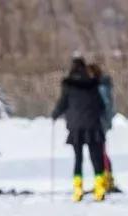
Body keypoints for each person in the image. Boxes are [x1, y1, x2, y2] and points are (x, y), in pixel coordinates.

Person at [51, 57, 106, 202]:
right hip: (93, 126)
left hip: (76, 127)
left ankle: (77, 190)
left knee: (78, 159)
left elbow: (62, 104)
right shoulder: (93, 84)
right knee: (96, 158)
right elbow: (101, 106)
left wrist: (55, 115)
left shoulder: (68, 85)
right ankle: (99, 190)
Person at [88, 63, 119, 193]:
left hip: (100, 123)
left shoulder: (101, 87)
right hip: (98, 122)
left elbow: (106, 106)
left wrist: (104, 121)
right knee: (100, 152)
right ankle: (105, 180)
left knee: (100, 153)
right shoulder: (100, 86)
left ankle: (107, 181)